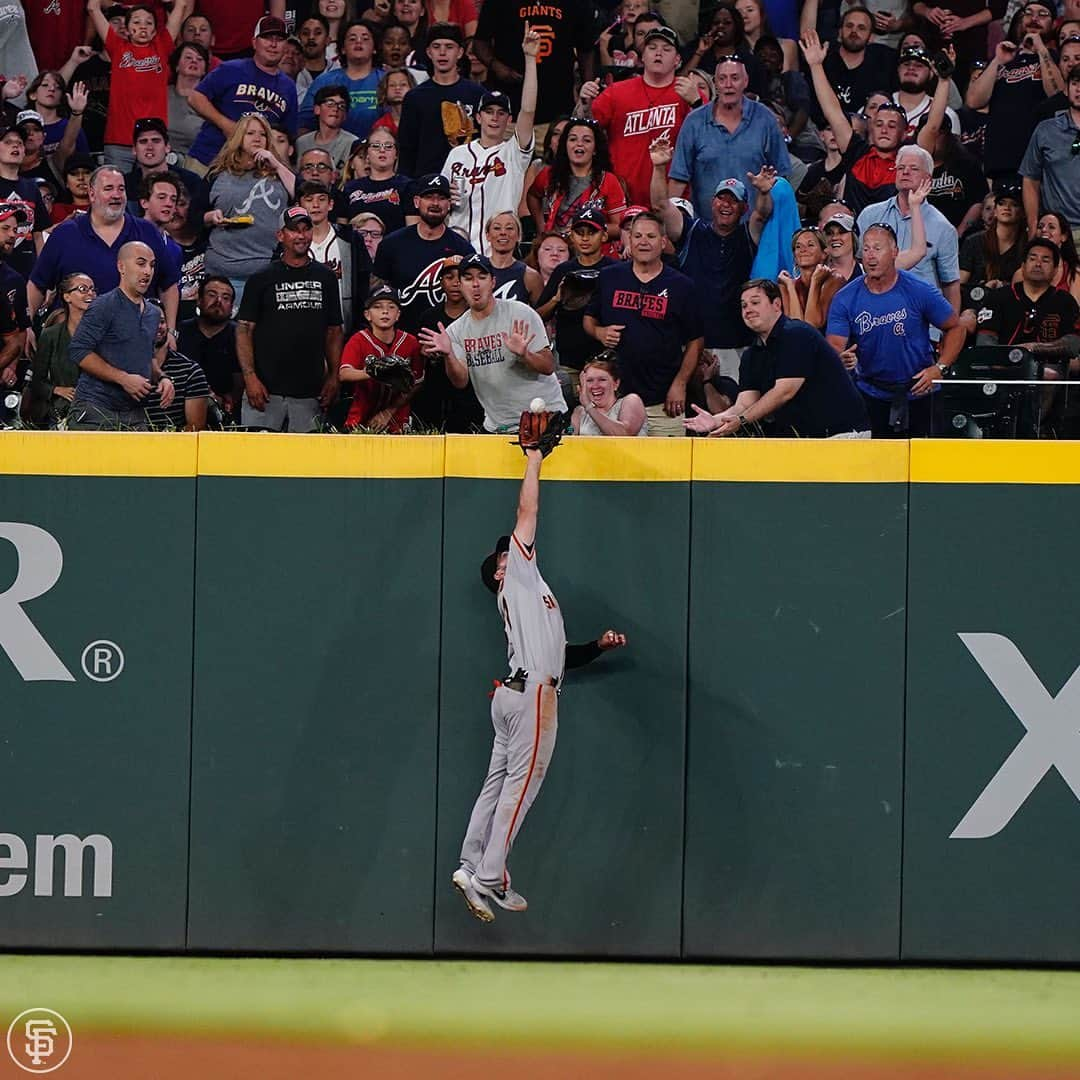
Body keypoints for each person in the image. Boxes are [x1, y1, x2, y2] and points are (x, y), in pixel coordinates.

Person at [451, 449, 626, 923]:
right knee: (521, 789)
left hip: (516, 691)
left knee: (496, 784)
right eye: (504, 555)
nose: (511, 551)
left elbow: (558, 654)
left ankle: (472, 866)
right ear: (501, 572)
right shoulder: (518, 578)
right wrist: (534, 459)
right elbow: (526, 512)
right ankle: (490, 876)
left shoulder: (531, 591)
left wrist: (596, 647)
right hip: (533, 697)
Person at [650, 133, 776, 379]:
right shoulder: (692, 231)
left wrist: (762, 192)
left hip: (738, 344)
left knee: (733, 410)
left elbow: (762, 214)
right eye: (721, 198)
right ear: (712, 202)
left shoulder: (747, 234)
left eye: (734, 200)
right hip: (692, 342)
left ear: (743, 208)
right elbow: (660, 206)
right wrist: (659, 167)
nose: (726, 204)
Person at [826, 222, 966, 435]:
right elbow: (834, 346)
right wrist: (841, 357)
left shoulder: (919, 290)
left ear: (894, 252)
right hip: (871, 394)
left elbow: (956, 327)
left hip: (921, 392)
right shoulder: (845, 298)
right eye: (866, 249)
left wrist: (940, 368)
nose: (871, 255)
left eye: (878, 248)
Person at [685, 277, 871, 438]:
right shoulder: (752, 354)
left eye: (755, 302)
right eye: (743, 305)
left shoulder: (797, 334)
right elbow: (745, 403)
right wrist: (715, 420)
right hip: (807, 439)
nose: (748, 309)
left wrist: (741, 420)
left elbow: (785, 391)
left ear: (777, 305)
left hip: (843, 434)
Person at [583, 211, 704, 435]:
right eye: (637, 236)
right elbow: (589, 319)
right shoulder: (609, 277)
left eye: (650, 236)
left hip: (663, 402)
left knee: (667, 469)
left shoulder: (682, 286)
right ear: (629, 240)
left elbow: (695, 341)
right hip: (615, 402)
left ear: (663, 241)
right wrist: (600, 332)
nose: (643, 242)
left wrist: (680, 383)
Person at [418, 252, 566, 432]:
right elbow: (460, 381)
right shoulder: (456, 331)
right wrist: (449, 355)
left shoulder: (520, 314)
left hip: (544, 416)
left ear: (493, 282)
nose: (475, 284)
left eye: (482, 277)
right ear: (461, 285)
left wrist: (525, 354)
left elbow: (548, 366)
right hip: (499, 425)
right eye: (468, 278)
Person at [29, 166, 180, 329]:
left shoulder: (147, 232)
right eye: (108, 188)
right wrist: (26, 327)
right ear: (92, 194)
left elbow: (169, 286)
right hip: (74, 340)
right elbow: (37, 285)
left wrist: (171, 331)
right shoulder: (65, 234)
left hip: (134, 339)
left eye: (121, 189)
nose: (116, 195)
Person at [236, 205, 343, 431]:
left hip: (310, 393)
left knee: (305, 465)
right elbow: (244, 329)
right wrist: (250, 377)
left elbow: (334, 330)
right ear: (280, 235)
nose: (301, 235)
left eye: (306, 229)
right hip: (265, 391)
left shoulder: (326, 278)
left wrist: (334, 376)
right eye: (294, 230)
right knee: (257, 463)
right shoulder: (260, 278)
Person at [576, 25, 698, 210]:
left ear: (677, 60)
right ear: (642, 57)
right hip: (621, 197)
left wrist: (696, 103)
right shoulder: (617, 92)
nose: (659, 53)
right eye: (652, 48)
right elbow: (585, 128)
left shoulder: (687, 92)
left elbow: (709, 138)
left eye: (666, 49)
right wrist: (584, 104)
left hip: (671, 199)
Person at [445, 25, 538, 256]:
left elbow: (528, 109)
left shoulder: (514, 153)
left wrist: (529, 59)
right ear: (478, 117)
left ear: (509, 120)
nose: (494, 118)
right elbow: (441, 200)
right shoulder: (457, 154)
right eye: (488, 112)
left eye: (501, 113)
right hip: (458, 250)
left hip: (499, 252)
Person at [67, 240, 176, 430]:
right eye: (141, 264)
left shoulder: (153, 313)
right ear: (121, 267)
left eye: (151, 265)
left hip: (135, 414)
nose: (147, 272)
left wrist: (162, 378)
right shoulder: (103, 306)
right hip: (96, 410)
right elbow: (78, 351)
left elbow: (146, 356)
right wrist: (123, 379)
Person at [667, 55, 791, 219]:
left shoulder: (765, 119)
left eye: (735, 78)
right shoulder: (694, 122)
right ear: (715, 83)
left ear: (745, 81)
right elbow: (678, 179)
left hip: (754, 230)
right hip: (706, 229)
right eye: (722, 78)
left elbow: (781, 178)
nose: (728, 85)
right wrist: (668, 225)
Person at [204, 113, 297, 306]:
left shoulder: (280, 174)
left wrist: (277, 165)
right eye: (250, 133)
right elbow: (194, 216)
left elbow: (303, 194)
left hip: (268, 274)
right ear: (239, 138)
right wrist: (210, 217)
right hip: (223, 274)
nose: (257, 138)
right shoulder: (218, 174)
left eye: (262, 134)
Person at [87, 0, 192, 168]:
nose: (143, 26)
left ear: (154, 31)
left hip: (153, 141)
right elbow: (92, 8)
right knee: (117, 191)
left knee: (153, 191)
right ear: (127, 29)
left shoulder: (162, 46)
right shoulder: (117, 47)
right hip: (119, 141)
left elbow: (181, 5)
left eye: (149, 22)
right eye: (136, 22)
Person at [856, 144, 961, 313]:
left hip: (922, 318)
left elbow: (951, 284)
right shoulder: (869, 215)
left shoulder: (943, 228)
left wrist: (951, 330)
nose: (905, 172)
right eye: (901, 168)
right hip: (874, 314)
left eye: (913, 168)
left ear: (928, 178)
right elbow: (858, 267)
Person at [965, 2, 1065, 179]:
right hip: (999, 160)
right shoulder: (1005, 57)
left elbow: (1057, 95)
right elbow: (973, 101)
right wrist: (997, 61)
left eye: (1042, 14)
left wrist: (1041, 49)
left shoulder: (1055, 58)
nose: (1034, 18)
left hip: (1038, 162)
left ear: (1054, 24)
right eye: (1029, 13)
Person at [186, 16, 299, 173]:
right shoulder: (231, 69)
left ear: (285, 46)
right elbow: (195, 97)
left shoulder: (289, 87)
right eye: (267, 38)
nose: (273, 44)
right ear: (254, 42)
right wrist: (226, 125)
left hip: (252, 171)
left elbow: (288, 133)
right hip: (208, 159)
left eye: (279, 39)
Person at [370, 172, 473, 332]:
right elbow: (376, 294)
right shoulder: (391, 244)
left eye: (441, 198)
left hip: (449, 338)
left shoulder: (463, 248)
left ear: (449, 204)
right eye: (429, 197)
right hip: (400, 337)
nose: (435, 203)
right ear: (417, 202)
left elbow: (470, 298)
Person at [472, 0, 595, 126]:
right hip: (509, 109)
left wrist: (589, 86)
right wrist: (497, 66)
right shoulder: (498, 3)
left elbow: (586, 49)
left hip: (557, 110)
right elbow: (479, 43)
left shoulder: (577, 3)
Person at [536, 208, 618, 378]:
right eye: (580, 233)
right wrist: (556, 299)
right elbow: (537, 316)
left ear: (604, 236)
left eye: (592, 232)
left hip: (606, 362)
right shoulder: (563, 270)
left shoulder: (615, 270)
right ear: (572, 237)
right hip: (569, 362)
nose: (585, 238)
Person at [396, 24, 486, 177]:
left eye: (449, 47)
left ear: (460, 52)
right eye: (436, 47)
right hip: (425, 184)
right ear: (429, 52)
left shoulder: (477, 95)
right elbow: (407, 150)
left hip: (469, 180)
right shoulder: (414, 98)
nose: (442, 53)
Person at [526, 119, 627, 246]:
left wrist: (590, 228)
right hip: (555, 250)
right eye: (573, 139)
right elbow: (533, 195)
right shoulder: (548, 175)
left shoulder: (608, 180)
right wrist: (541, 226)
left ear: (595, 149)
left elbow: (620, 227)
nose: (579, 144)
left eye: (587, 140)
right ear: (565, 146)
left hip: (593, 254)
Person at [339, 284, 424, 430]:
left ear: (398, 315)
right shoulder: (358, 340)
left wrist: (389, 411)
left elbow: (418, 382)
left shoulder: (411, 342)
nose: (385, 311)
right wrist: (373, 372)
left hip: (397, 416)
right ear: (367, 315)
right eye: (377, 307)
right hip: (361, 414)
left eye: (391, 307)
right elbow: (344, 373)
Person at [26, 270, 94, 425]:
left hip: (96, 411)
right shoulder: (50, 335)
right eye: (83, 289)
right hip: (60, 412)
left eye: (92, 289)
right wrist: (56, 390)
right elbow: (37, 382)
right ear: (67, 296)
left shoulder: (103, 334)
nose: (90, 293)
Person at [1020, 67, 1080, 239]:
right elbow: (1030, 179)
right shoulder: (1046, 130)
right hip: (1055, 231)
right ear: (1066, 89)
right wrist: (1033, 226)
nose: (1078, 89)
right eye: (1075, 83)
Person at [299, 20, 383, 139]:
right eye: (352, 39)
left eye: (365, 39)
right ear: (342, 49)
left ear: (375, 48)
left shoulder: (386, 80)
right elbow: (304, 123)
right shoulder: (324, 81)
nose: (358, 42)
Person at [125, 116, 208, 221]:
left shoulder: (191, 182)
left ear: (167, 147)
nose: (149, 147)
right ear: (134, 150)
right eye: (143, 141)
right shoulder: (124, 184)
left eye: (156, 141)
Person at [297, 180, 354, 331]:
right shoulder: (291, 244)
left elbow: (362, 281)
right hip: (303, 326)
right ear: (299, 206)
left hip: (344, 326)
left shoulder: (350, 239)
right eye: (309, 200)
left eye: (321, 199)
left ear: (330, 204)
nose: (315, 205)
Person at [144, 306, 211, 430]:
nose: (158, 326)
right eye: (150, 321)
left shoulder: (190, 371)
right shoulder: (125, 369)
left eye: (162, 321)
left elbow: (195, 427)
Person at [0, 121, 49, 280]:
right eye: (8, 142)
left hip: (27, 271)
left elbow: (38, 234)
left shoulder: (31, 188)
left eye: (20, 143)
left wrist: (42, 272)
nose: (15, 146)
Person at [959, 178, 1026, 292]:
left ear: (1022, 212)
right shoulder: (974, 241)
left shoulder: (1027, 245)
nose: (1007, 208)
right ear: (995, 211)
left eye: (1014, 204)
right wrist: (982, 288)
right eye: (1001, 203)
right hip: (976, 302)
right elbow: (960, 284)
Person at [341, 130, 413, 232]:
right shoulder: (350, 188)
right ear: (367, 155)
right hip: (358, 246)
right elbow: (342, 230)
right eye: (376, 146)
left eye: (388, 146)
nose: (382, 150)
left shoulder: (408, 186)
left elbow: (412, 231)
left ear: (396, 154)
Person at [571, 351, 647, 435]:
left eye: (602, 380)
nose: (595, 386)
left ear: (616, 383)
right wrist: (565, 430)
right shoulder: (580, 412)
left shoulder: (631, 401)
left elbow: (624, 434)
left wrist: (589, 406)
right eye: (589, 380)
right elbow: (568, 436)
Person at [296, 85, 355, 174]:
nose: (336, 109)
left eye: (341, 106)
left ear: (345, 115)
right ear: (317, 109)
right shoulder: (301, 143)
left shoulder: (352, 143)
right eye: (330, 104)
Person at [167, 41, 211, 157]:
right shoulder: (162, 95)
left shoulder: (212, 100)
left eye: (200, 59)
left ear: (204, 70)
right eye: (188, 57)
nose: (194, 61)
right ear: (176, 66)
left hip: (197, 162)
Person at [486, 212, 541, 304]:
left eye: (509, 228)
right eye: (497, 228)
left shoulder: (530, 276)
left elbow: (539, 315)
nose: (503, 232)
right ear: (488, 235)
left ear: (519, 236)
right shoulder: (477, 270)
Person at [295, 13, 333, 96]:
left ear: (328, 40)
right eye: (305, 33)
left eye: (318, 33)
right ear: (299, 39)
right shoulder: (290, 71)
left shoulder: (338, 73)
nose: (311, 37)